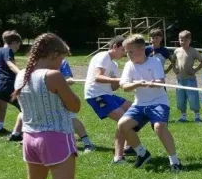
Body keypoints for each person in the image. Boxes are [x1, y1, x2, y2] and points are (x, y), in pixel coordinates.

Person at [1, 33, 94, 179]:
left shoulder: (22, 74)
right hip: (55, 138)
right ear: (53, 54)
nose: (62, 63)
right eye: (61, 58)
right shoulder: (53, 76)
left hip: (30, 138)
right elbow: (75, 106)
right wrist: (65, 87)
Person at [118, 34, 182, 171]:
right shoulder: (129, 65)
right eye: (127, 52)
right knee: (123, 125)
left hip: (158, 102)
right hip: (139, 104)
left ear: (142, 49)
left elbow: (160, 81)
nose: (128, 55)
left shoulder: (154, 62)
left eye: (131, 52)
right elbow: (124, 86)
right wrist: (137, 84)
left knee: (159, 127)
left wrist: (153, 83)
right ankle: (142, 154)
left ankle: (175, 162)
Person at [84, 36, 136, 164]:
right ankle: (118, 157)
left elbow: (113, 87)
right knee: (123, 120)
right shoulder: (102, 56)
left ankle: (128, 147)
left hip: (107, 94)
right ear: (114, 47)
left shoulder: (114, 64)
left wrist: (123, 81)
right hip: (96, 94)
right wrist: (118, 80)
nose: (124, 53)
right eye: (123, 50)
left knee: (134, 110)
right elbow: (98, 77)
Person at [59, 48, 95, 153]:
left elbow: (68, 79)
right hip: (46, 96)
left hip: (61, 94)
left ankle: (87, 143)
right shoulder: (39, 62)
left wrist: (66, 81)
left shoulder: (62, 62)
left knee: (71, 118)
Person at [166, 30, 202, 123]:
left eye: (185, 40)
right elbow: (172, 60)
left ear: (190, 40)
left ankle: (197, 116)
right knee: (180, 99)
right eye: (181, 40)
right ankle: (183, 116)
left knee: (193, 98)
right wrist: (174, 69)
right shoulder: (177, 51)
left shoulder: (193, 51)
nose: (183, 42)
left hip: (190, 79)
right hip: (179, 80)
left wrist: (195, 70)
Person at [0, 30, 24, 141]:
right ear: (14, 42)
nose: (18, 47)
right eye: (19, 44)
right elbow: (11, 65)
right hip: (6, 86)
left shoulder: (0, 51)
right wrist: (22, 74)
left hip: (0, 87)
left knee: (25, 108)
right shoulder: (7, 50)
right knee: (27, 108)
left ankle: (16, 135)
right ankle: (22, 136)